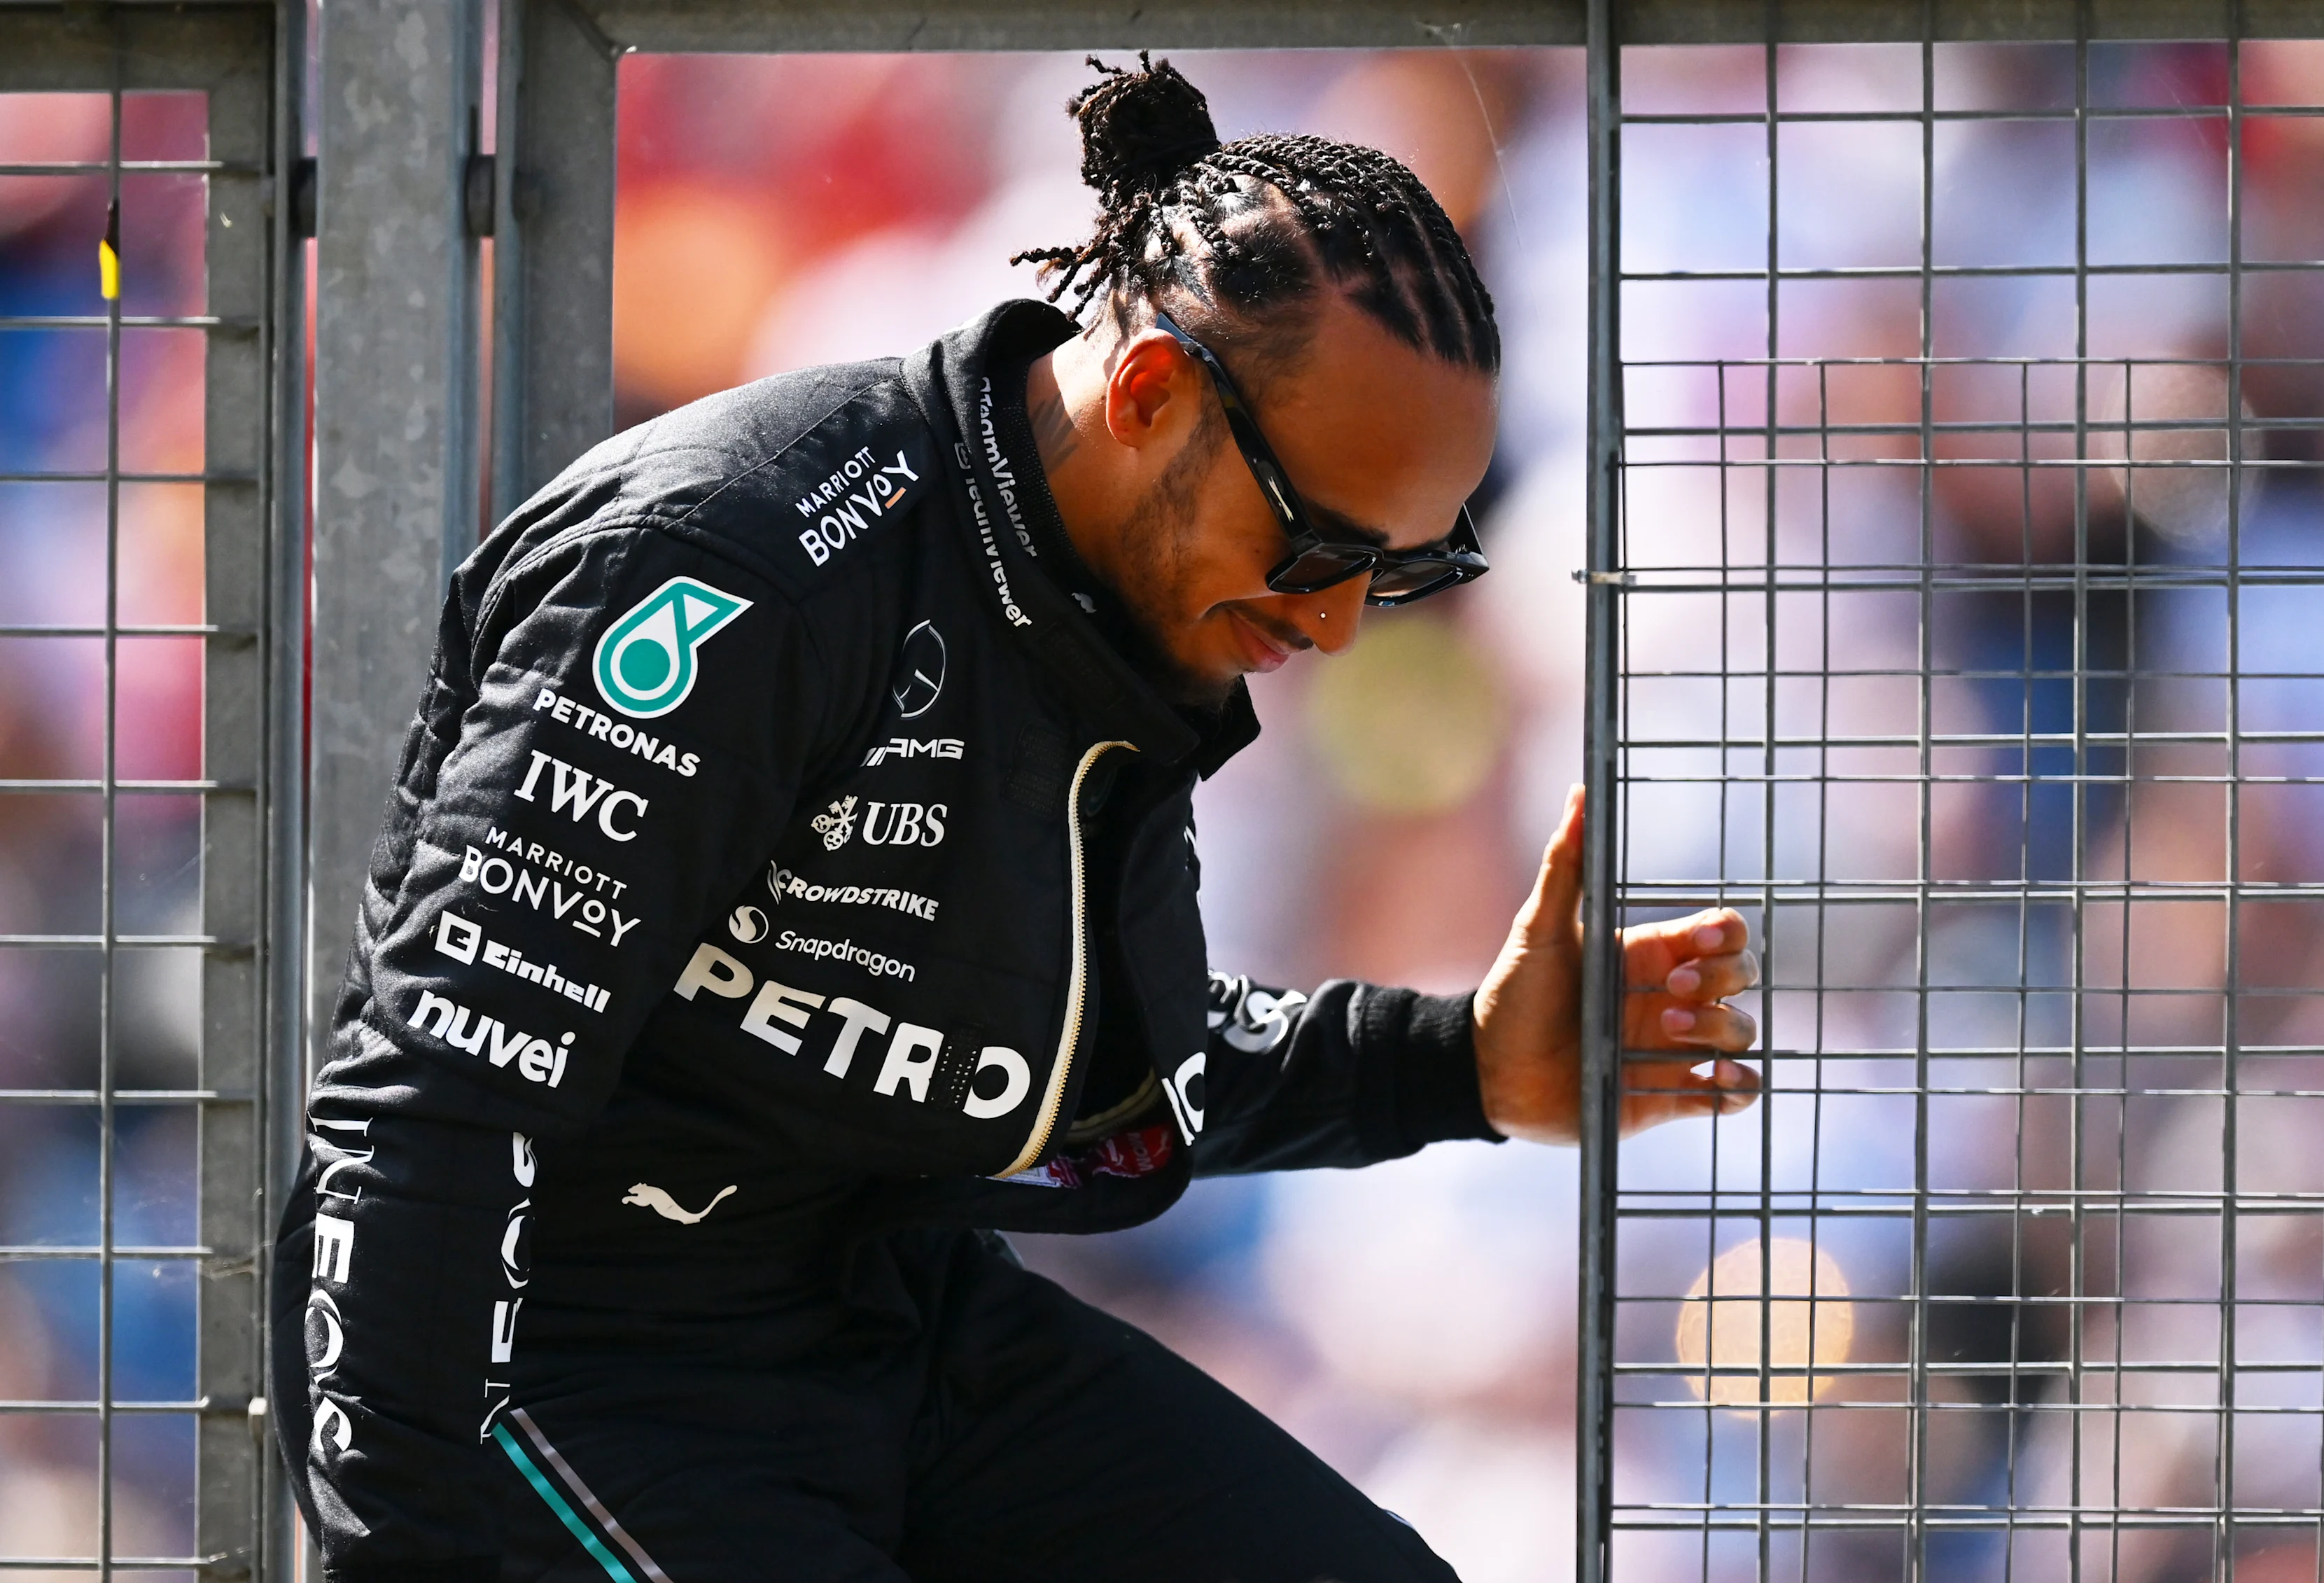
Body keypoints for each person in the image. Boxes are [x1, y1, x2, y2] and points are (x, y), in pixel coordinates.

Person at [270, 55, 1761, 1583]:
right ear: (1150, 393)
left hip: (888, 1316)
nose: (1330, 628)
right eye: (1317, 547)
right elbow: (438, 1096)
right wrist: (414, 1530)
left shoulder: (1130, 598)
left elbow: (1069, 1059)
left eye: (1393, 573)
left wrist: (1448, 1064)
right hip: (567, 1362)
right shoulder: (738, 565)